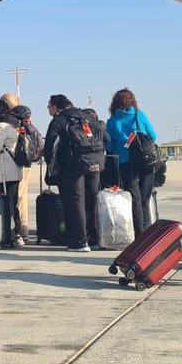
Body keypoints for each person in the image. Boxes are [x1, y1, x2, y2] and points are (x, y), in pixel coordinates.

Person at [45, 95, 104, 252]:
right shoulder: (86, 117)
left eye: (49, 106)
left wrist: (52, 166)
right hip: (95, 163)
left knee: (76, 201)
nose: (47, 109)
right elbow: (106, 137)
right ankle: (94, 239)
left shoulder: (58, 121)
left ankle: (79, 241)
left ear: (56, 107)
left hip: (73, 166)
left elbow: (50, 148)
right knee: (92, 199)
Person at [105, 88, 158, 236]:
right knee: (145, 197)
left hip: (125, 162)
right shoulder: (139, 115)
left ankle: (139, 233)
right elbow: (153, 135)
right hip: (145, 159)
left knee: (135, 198)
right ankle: (148, 230)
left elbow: (109, 145)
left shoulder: (113, 121)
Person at [0, 99, 26, 246]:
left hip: (4, 172)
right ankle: (18, 234)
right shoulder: (11, 126)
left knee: (5, 204)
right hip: (13, 171)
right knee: (13, 203)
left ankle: (7, 233)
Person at [0, 93, 35, 235]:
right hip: (25, 160)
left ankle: (19, 227)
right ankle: (23, 225)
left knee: (17, 195)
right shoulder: (25, 118)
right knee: (22, 194)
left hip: (14, 161)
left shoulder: (8, 121)